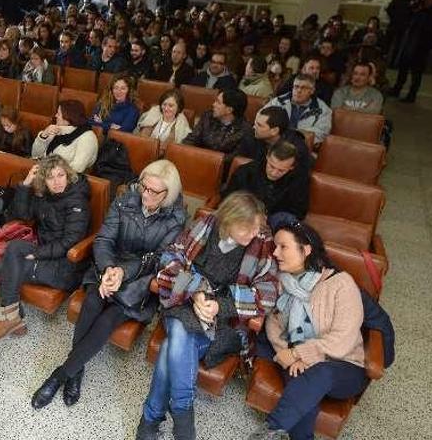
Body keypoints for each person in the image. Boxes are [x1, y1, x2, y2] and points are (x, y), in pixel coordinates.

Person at [31, 160, 187, 409]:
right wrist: (108, 270)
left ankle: (60, 375)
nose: (145, 194)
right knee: (92, 302)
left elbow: (159, 259)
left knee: (107, 319)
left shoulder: (175, 218)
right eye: (143, 186)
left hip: (140, 279)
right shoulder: (126, 198)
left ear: (168, 195)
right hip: (109, 266)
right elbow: (104, 238)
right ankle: (76, 370)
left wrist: (122, 273)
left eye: (153, 191)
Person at [135, 192, 278, 440]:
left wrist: (219, 306)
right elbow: (170, 259)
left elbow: (268, 293)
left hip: (225, 318)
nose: (254, 234)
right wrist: (196, 292)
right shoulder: (206, 224)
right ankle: (181, 421)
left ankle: (152, 417)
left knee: (173, 344)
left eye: (257, 228)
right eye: (247, 229)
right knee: (180, 329)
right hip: (184, 301)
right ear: (228, 221)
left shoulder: (262, 239)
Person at [248, 222, 367, 440]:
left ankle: (268, 431)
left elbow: (343, 340)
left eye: (283, 247)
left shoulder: (341, 284)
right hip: (296, 364)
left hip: (344, 366)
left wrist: (299, 353)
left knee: (321, 372)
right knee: (303, 400)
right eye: (275, 246)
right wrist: (290, 356)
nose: (275, 253)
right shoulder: (281, 284)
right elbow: (274, 329)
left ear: (307, 250)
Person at [0, 155, 92, 340]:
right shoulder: (45, 197)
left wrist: (36, 254)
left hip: (66, 265)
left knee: (2, 267)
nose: (57, 182)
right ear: (44, 181)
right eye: (50, 177)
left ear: (68, 175)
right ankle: (13, 318)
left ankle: (11, 318)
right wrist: (26, 184)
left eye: (61, 175)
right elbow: (21, 214)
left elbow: (70, 242)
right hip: (47, 254)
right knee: (14, 248)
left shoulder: (77, 200)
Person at [224, 140, 309, 228]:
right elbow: (229, 197)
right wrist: (252, 214)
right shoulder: (246, 172)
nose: (274, 173)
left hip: (276, 222)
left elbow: (299, 212)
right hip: (243, 215)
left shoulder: (298, 181)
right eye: (271, 166)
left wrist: (269, 219)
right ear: (267, 157)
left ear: (291, 167)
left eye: (281, 170)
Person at [389, 0, 432, 103]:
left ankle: (411, 95)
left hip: (421, 47)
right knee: (403, 68)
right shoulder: (421, 10)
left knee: (416, 72)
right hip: (411, 43)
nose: (424, 0)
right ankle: (397, 89)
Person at [32, 100, 99, 173]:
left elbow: (76, 169)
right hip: (44, 170)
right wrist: (43, 135)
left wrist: (48, 173)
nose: (55, 116)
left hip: (61, 179)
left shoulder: (87, 138)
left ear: (68, 118)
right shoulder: (57, 128)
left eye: (58, 114)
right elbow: (35, 154)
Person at [265, 74, 332, 143]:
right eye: (296, 87)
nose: (299, 90)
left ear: (312, 91)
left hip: (300, 145)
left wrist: (296, 135)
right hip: (274, 140)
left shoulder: (322, 109)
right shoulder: (279, 100)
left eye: (304, 88)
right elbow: (262, 117)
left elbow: (322, 133)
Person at [237, 106, 311, 169]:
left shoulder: (296, 150)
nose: (254, 127)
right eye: (255, 123)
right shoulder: (251, 136)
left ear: (274, 131)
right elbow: (241, 162)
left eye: (259, 125)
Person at [183, 89, 251, 158]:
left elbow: (234, 159)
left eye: (218, 102)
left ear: (229, 110)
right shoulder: (208, 116)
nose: (213, 104)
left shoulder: (244, 131)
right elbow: (192, 139)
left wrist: (210, 159)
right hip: (197, 158)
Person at [135, 88, 192, 154]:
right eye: (164, 104)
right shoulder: (153, 114)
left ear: (178, 108)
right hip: (144, 151)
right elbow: (142, 138)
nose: (166, 108)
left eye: (171, 106)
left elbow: (176, 149)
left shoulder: (181, 123)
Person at [384, 0, 423, 65]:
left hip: (405, 27)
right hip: (395, 24)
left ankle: (393, 63)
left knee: (399, 46)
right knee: (387, 43)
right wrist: (395, 18)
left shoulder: (419, 0)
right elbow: (390, 9)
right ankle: (382, 60)